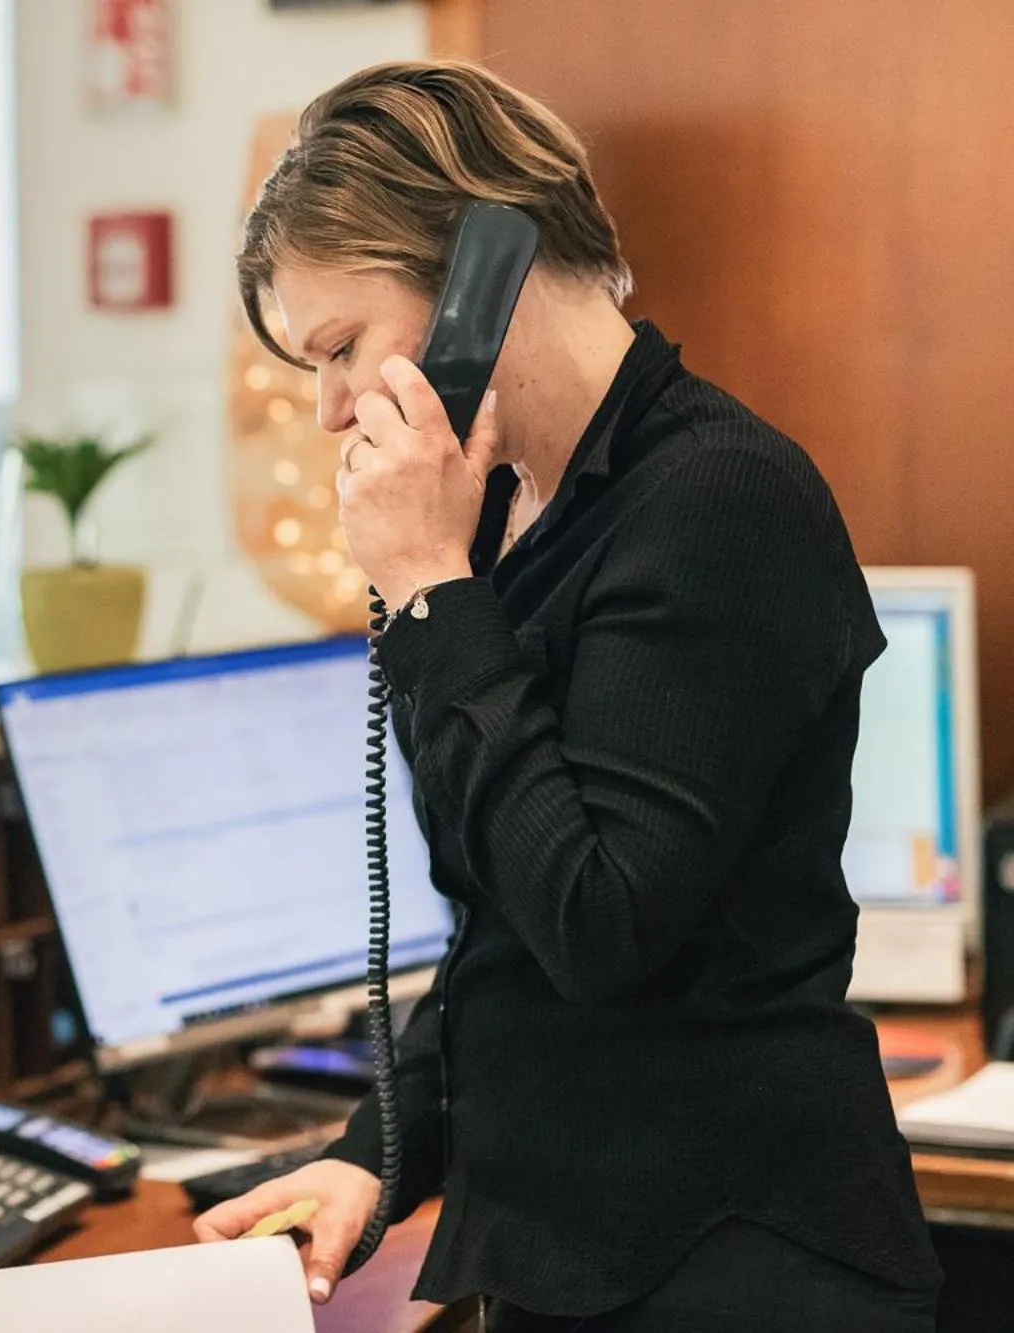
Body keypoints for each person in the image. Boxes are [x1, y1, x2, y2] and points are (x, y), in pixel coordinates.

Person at [193, 61, 942, 1331]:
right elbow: (507, 935)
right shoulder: (507, 516)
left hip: (730, 1266)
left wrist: (431, 592)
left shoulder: (715, 500)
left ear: (486, 269)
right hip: (573, 1257)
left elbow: (596, 920)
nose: (323, 410)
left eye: (338, 348)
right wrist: (372, 1153)